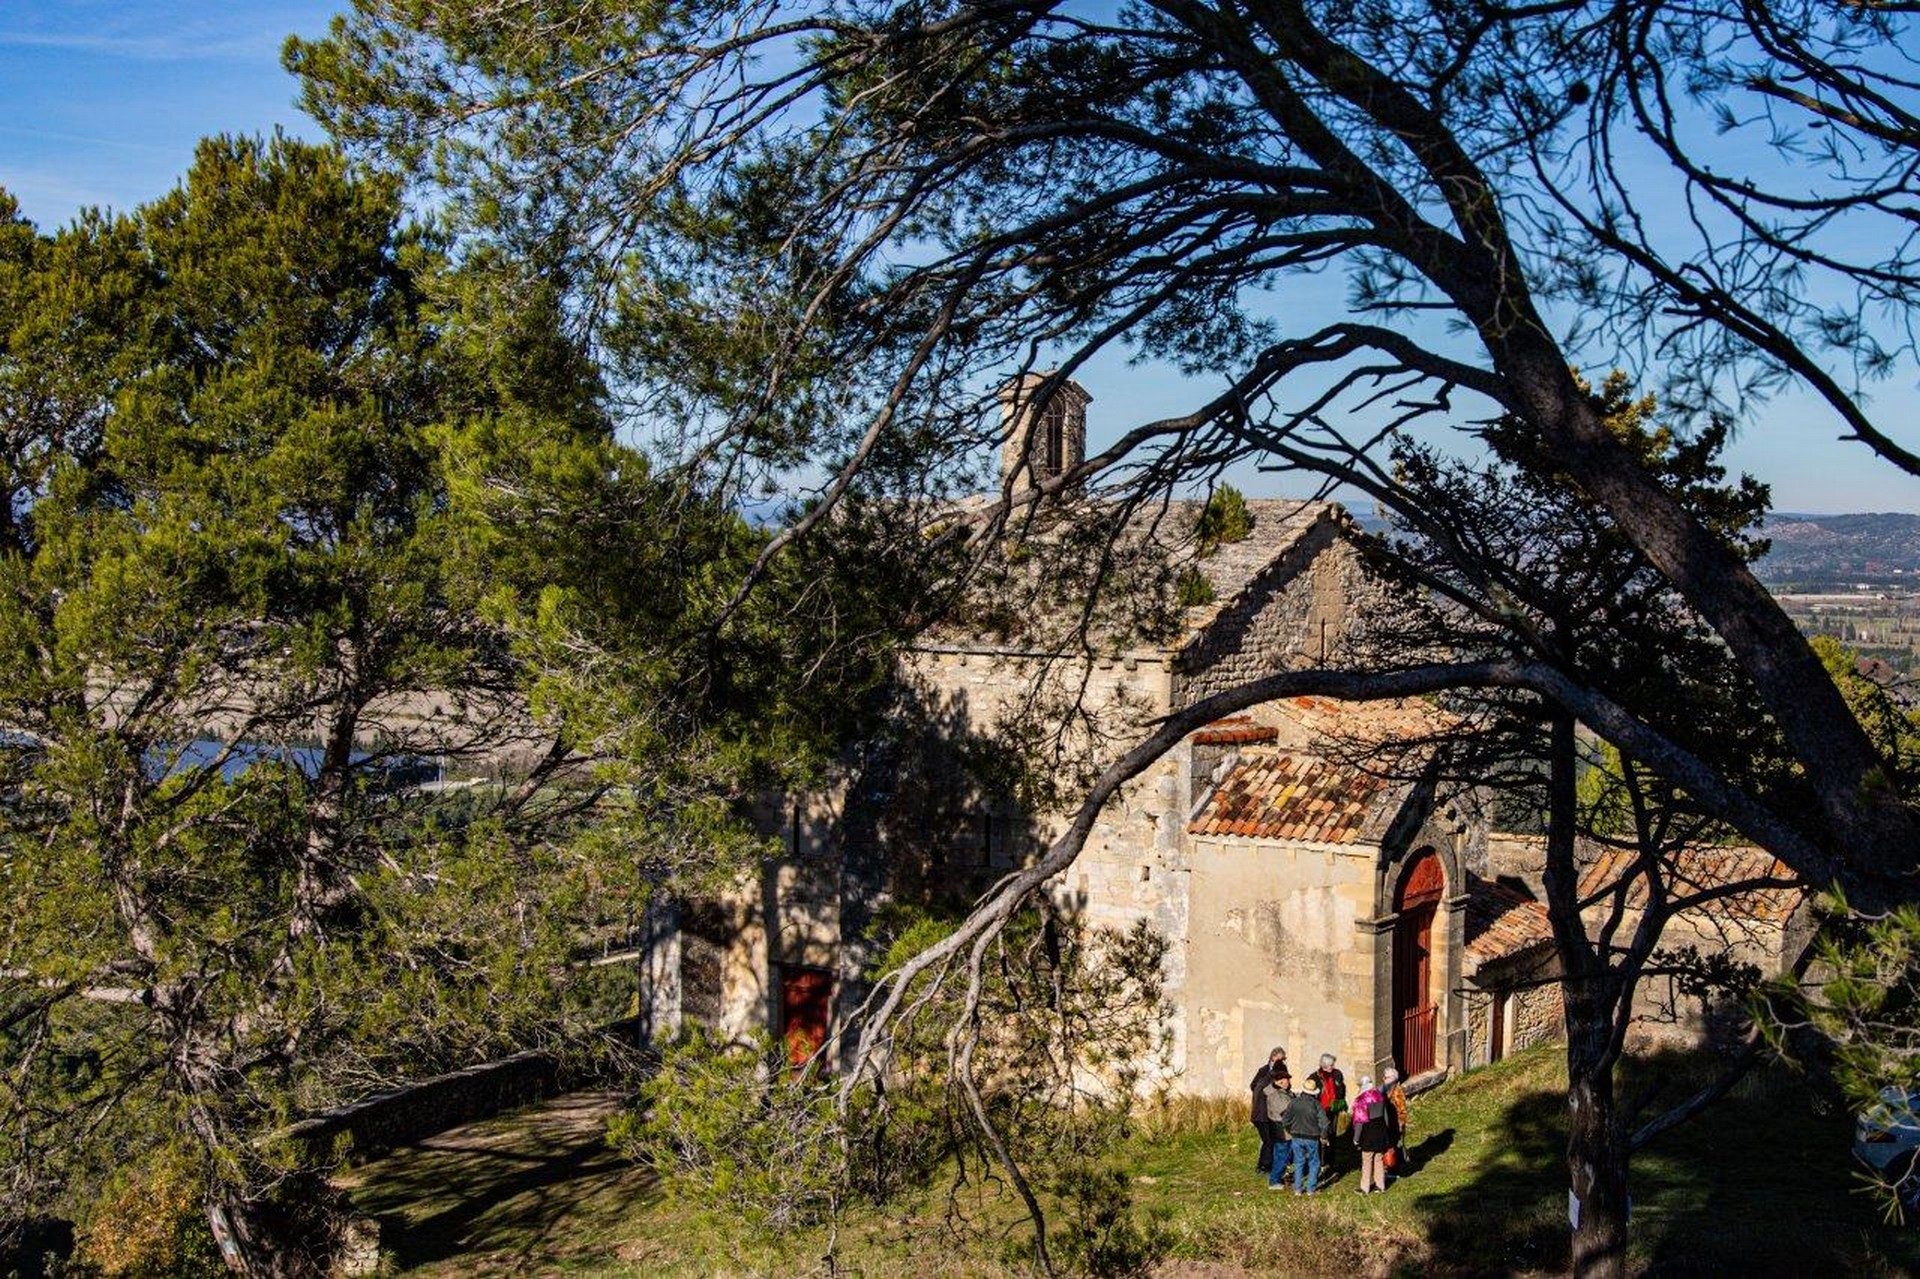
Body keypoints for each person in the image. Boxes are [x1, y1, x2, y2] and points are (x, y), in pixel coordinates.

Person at [1352, 1074, 1399, 1193]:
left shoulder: (1361, 1100)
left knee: (1367, 1160)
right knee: (1378, 1158)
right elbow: (1386, 1117)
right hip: (1380, 1129)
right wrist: (1385, 1131)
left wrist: (1356, 1138)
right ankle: (1380, 1186)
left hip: (1368, 1131)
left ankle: (1365, 1187)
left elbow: (1360, 1122)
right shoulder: (1379, 1096)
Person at [1282, 1079, 1328, 1194]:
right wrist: (1323, 1136)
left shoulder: (1294, 1102)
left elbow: (1285, 1120)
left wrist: (1290, 1130)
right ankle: (1310, 1189)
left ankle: (1298, 1189)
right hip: (1312, 1137)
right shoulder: (1316, 1104)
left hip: (1296, 1136)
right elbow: (1324, 1123)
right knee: (1314, 1163)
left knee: (1298, 1162)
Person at [1248, 1045, 1288, 1176]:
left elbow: (1285, 1086)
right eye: (1281, 1059)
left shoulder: (1280, 1070)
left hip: (1271, 1111)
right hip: (1262, 1112)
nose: (1283, 1061)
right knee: (1268, 1141)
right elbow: (1253, 1085)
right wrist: (1263, 1093)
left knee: (1270, 1140)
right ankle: (1263, 1166)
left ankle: (1268, 1165)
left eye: (1284, 1059)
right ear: (1273, 1057)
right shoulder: (1264, 1071)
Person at [1304, 1052, 1347, 1169]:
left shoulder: (1337, 1074)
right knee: (1320, 1136)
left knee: (1331, 1135)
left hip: (1333, 1110)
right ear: (1324, 1066)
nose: (1333, 1067)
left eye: (1333, 1065)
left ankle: (1330, 1160)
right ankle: (1319, 1160)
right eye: (1331, 1066)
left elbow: (1342, 1088)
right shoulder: (1314, 1078)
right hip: (1320, 1112)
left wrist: (1340, 1100)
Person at [1264, 1074, 1297, 1189]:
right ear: (1279, 1082)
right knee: (1281, 1156)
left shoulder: (1283, 1093)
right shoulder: (1276, 1095)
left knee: (1285, 1155)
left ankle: (1283, 1177)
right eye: (1286, 1080)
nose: (1289, 1082)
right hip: (1281, 1131)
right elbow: (1285, 1113)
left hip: (1285, 1130)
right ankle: (1274, 1181)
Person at [1382, 1066, 1411, 1179]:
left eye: (1386, 1077)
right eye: (1384, 1077)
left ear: (1393, 1078)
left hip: (1395, 1124)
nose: (1383, 1079)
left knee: (1394, 1146)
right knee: (1389, 1146)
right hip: (1388, 1123)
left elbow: (1402, 1110)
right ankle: (1389, 1167)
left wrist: (1401, 1125)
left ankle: (1394, 1170)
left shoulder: (1397, 1092)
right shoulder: (1386, 1089)